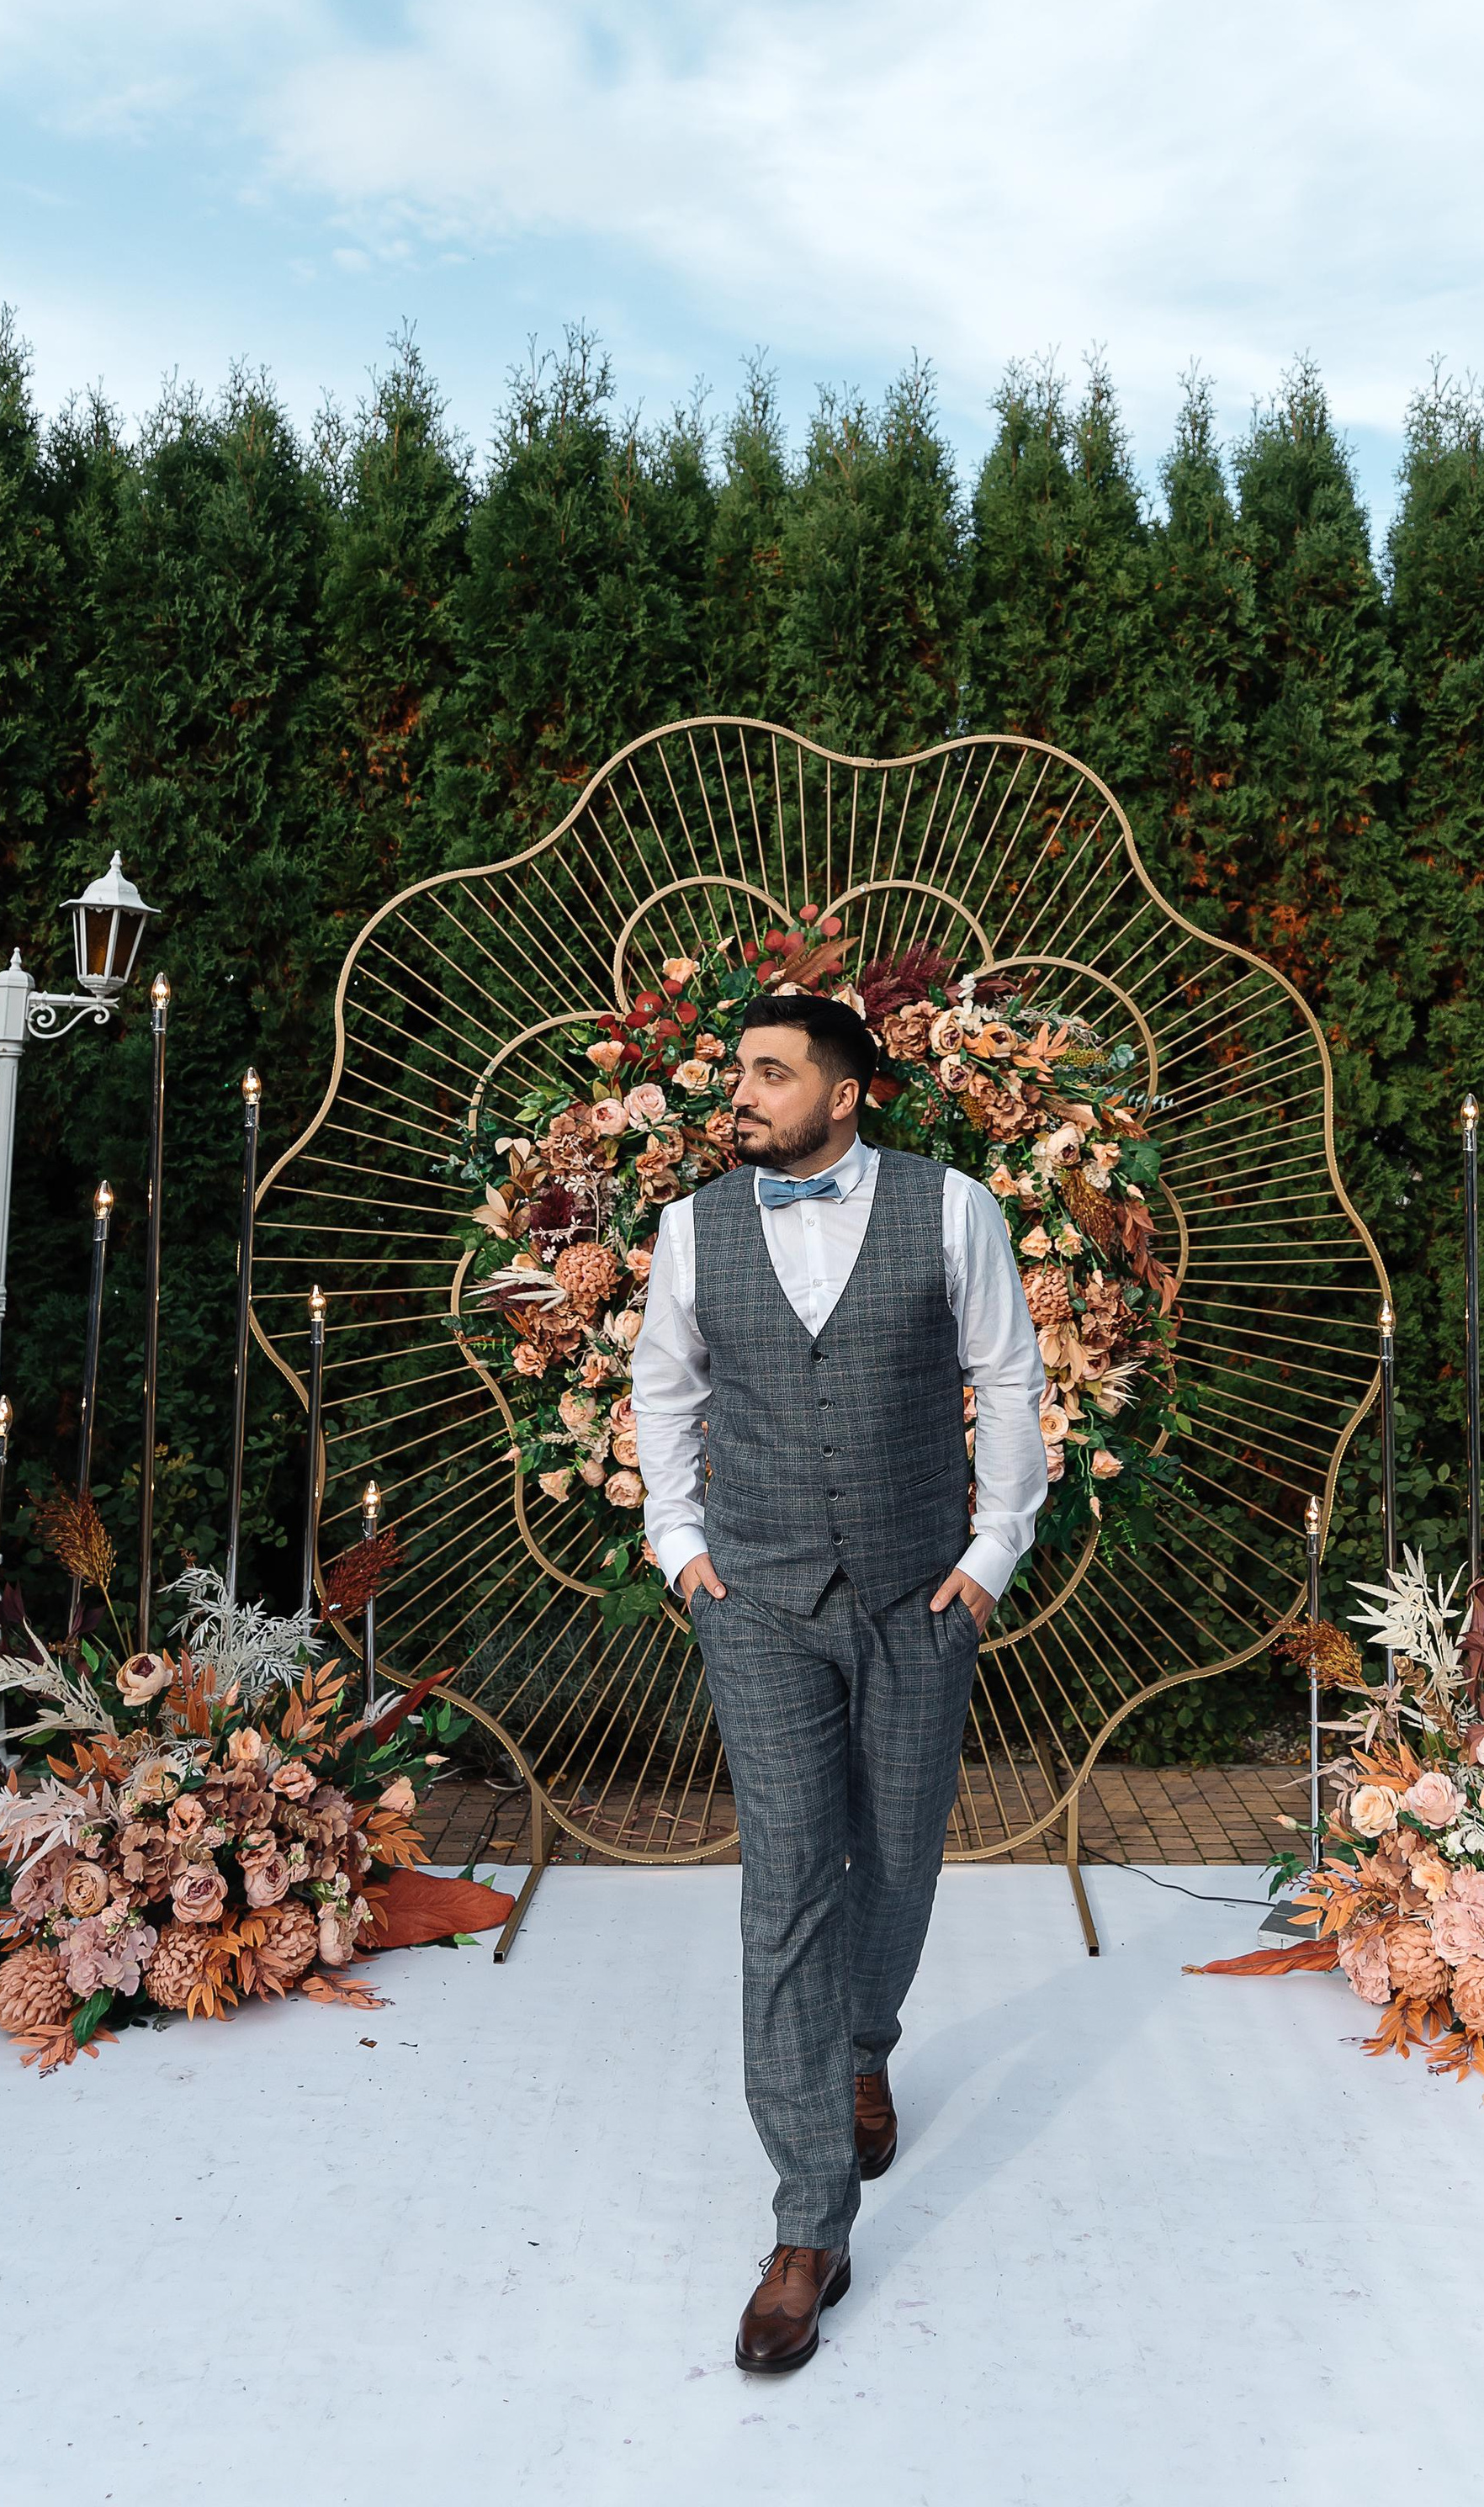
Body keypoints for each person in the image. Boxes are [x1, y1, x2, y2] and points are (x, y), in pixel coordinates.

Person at [632, 987, 1047, 2373]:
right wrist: (682, 1547)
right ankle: (808, 2220)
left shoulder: (952, 1209)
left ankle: (865, 2042)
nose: (738, 1094)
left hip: (919, 1591)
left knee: (902, 1850)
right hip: (756, 1602)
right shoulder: (693, 1231)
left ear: (846, 1091)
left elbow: (1008, 1375)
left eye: (768, 1073)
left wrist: (990, 1554)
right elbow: (666, 1394)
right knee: (790, 1878)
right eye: (735, 1072)